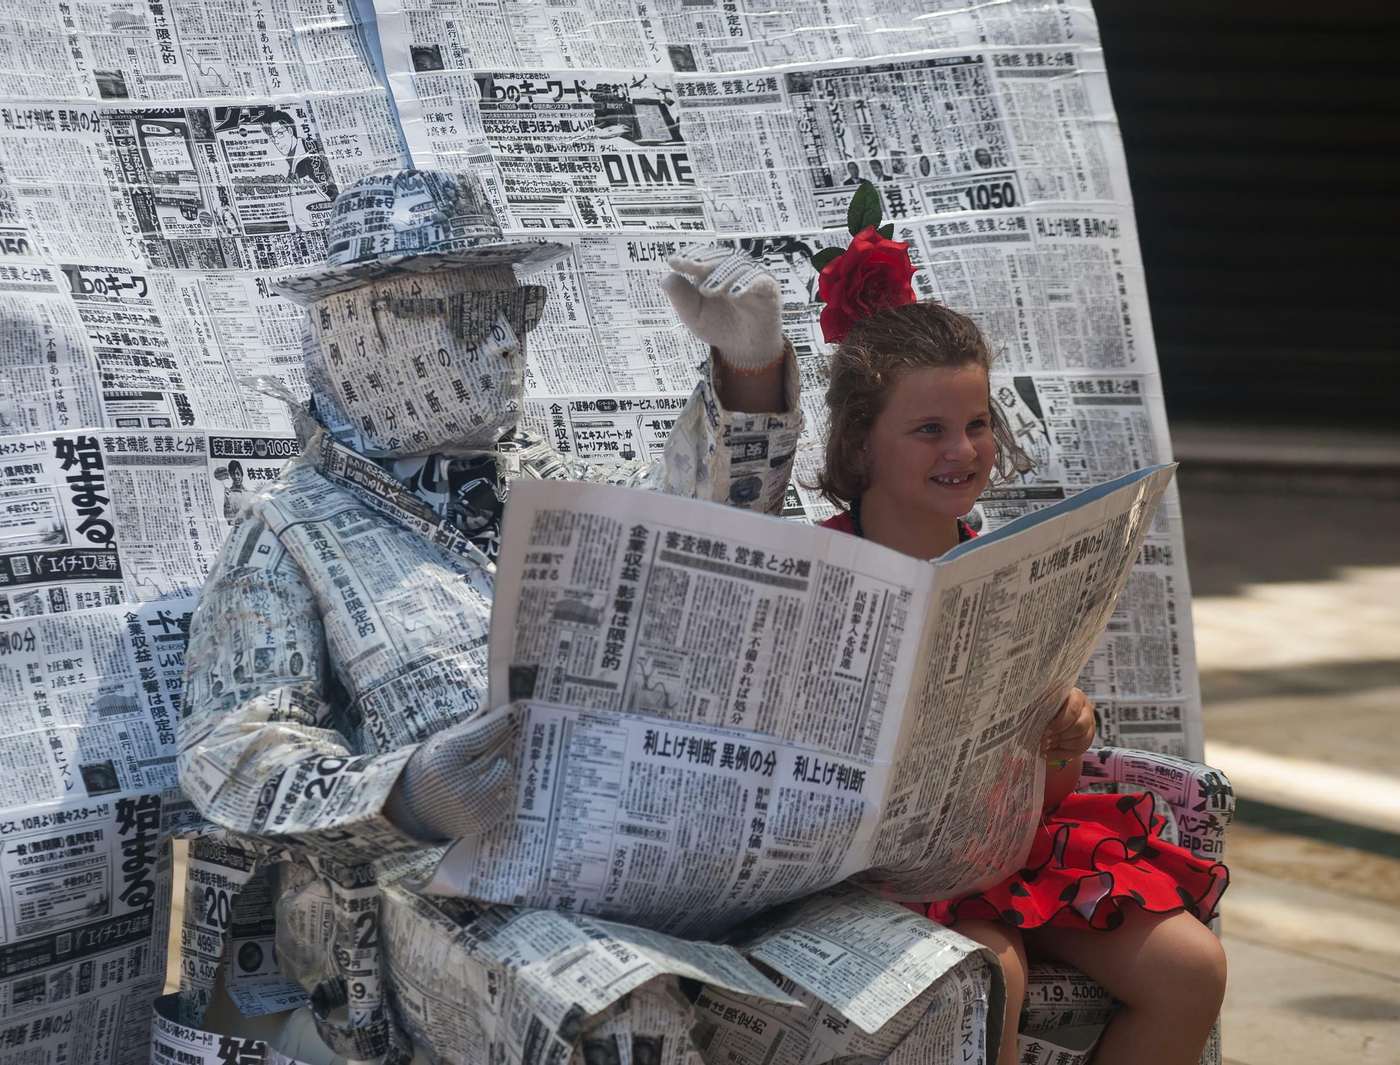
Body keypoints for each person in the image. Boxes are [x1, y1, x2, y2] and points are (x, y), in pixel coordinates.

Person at [177, 168, 802, 1058]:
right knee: (618, 1016)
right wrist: (405, 794)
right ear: (365, 337)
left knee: (926, 983)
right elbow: (230, 755)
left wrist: (749, 376)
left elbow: (695, 546)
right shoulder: (285, 528)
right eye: (473, 319)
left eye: (517, 311)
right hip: (427, 898)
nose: (509, 346)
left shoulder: (545, 479)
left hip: (631, 857)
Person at [806, 214, 1228, 1065]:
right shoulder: (820, 567)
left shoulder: (1011, 567)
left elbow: (1046, 788)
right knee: (988, 976)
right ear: (860, 441)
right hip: (877, 870)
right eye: (929, 428)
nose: (963, 449)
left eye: (977, 423)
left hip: (1008, 847)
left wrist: (1065, 731)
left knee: (1190, 968)